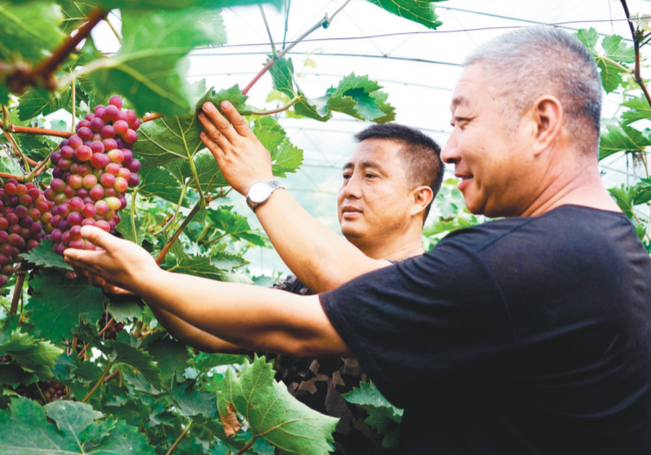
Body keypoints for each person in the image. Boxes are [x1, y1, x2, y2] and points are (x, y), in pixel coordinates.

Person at [65, 26, 651, 454]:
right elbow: (327, 295)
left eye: (464, 121)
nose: (450, 147)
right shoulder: (606, 252)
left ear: (542, 123)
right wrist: (144, 284)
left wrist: (158, 270)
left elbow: (308, 315)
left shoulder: (530, 262)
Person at [97, 123, 444, 454]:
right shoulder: (301, 285)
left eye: (370, 175)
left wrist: (260, 184)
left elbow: (358, 284)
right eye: (346, 176)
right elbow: (211, 333)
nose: (350, 189)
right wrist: (143, 282)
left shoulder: (433, 290)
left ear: (419, 199)